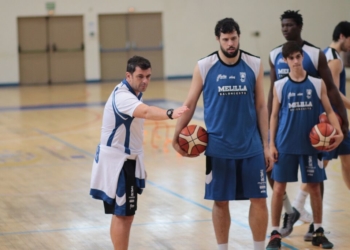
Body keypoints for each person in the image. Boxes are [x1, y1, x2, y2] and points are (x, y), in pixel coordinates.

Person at [172, 18, 271, 250]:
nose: (230, 43)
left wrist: (267, 144)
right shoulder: (204, 66)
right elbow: (190, 102)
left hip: (251, 146)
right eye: (225, 39)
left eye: (233, 38)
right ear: (218, 39)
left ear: (239, 37)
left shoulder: (254, 63)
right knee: (220, 201)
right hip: (218, 148)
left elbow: (261, 107)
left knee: (258, 199)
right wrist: (176, 135)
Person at [89, 56, 189, 250]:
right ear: (129, 75)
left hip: (123, 160)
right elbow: (146, 112)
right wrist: (170, 113)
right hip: (119, 162)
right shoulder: (123, 96)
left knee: (122, 214)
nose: (145, 81)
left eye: (148, 76)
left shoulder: (132, 92)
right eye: (140, 76)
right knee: (125, 216)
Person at [267, 10, 349, 238]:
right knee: (276, 178)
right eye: (283, 25)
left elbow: (331, 90)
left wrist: (343, 122)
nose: (285, 29)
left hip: (313, 129)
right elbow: (272, 95)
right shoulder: (275, 54)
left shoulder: (314, 54)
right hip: (285, 132)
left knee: (316, 181)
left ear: (300, 27)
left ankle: (316, 227)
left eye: (290, 25)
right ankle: (287, 215)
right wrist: (267, 134)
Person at [302, 21, 350, 242]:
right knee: (319, 171)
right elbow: (333, 93)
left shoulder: (326, 53)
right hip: (330, 122)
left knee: (346, 163)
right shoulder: (334, 60)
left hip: (337, 121)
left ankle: (300, 209)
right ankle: (300, 210)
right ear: (343, 36)